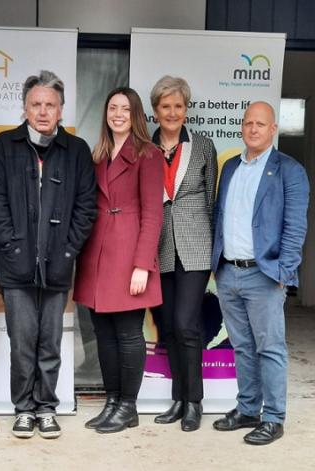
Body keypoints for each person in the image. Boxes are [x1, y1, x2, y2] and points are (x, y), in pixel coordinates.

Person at [0, 70, 96, 439]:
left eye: (51, 104)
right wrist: (11, 245)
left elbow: (86, 207)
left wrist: (68, 249)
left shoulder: (76, 150)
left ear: (61, 110)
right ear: (25, 108)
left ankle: (46, 407)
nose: (43, 111)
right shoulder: (5, 146)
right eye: (36, 104)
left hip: (58, 264)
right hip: (15, 265)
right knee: (22, 342)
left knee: (50, 342)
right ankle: (23, 408)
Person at [211, 101, 309, 445]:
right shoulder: (232, 168)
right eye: (248, 123)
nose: (253, 129)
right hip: (228, 272)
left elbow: (295, 226)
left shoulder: (288, 170)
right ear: (242, 127)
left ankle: (274, 417)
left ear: (273, 130)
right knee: (241, 347)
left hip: (264, 275)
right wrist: (217, 265)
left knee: (270, 348)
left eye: (260, 124)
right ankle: (248, 408)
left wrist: (284, 270)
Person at [74, 87, 164, 434]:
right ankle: (112, 401)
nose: (118, 114)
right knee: (103, 333)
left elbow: (153, 214)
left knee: (127, 333)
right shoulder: (98, 154)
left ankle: (128, 406)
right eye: (113, 107)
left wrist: (143, 264)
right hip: (97, 252)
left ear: (136, 114)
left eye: (126, 109)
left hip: (129, 254)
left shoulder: (148, 154)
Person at [149, 76, 218, 432]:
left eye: (178, 106)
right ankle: (178, 399)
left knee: (187, 325)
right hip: (158, 248)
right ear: (156, 111)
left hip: (194, 247)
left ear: (186, 109)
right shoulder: (144, 146)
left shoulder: (204, 147)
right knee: (169, 328)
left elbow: (210, 203)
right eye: (166, 106)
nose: (172, 112)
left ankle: (195, 401)